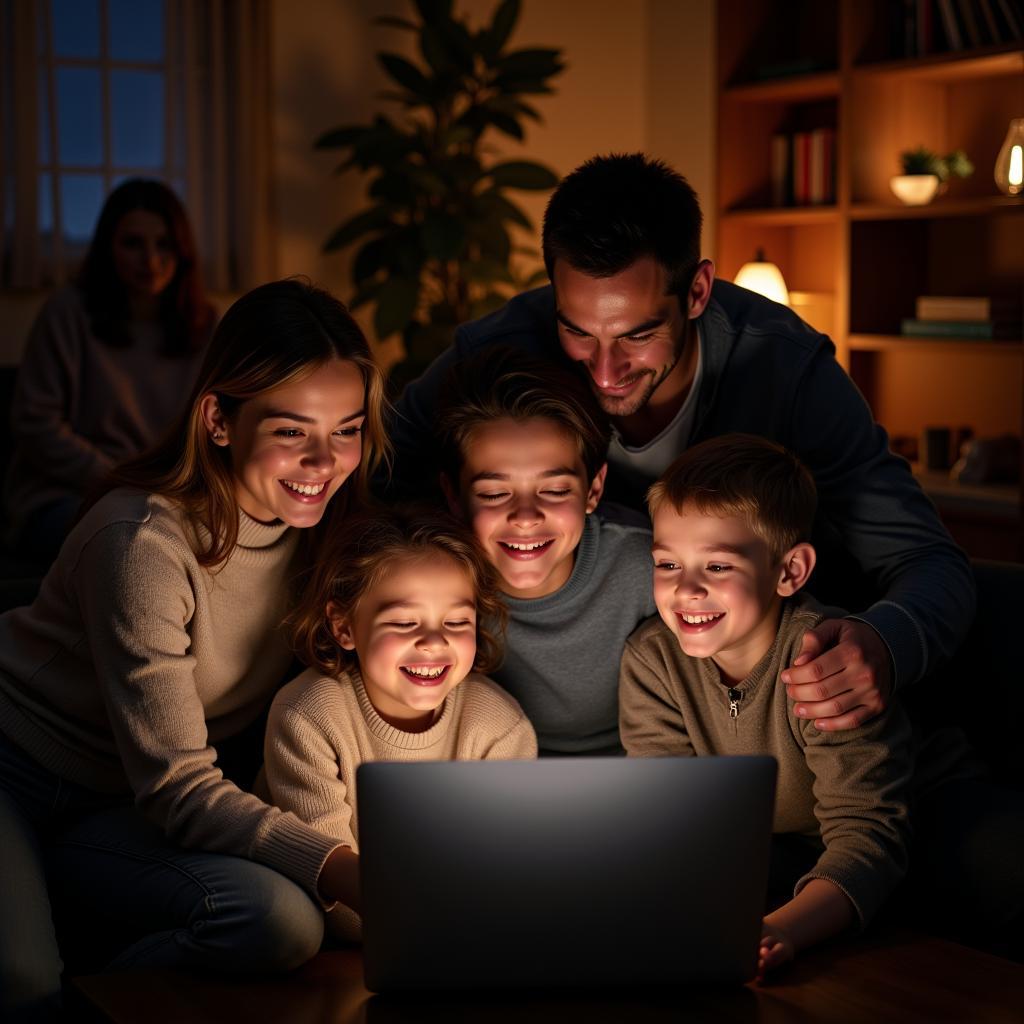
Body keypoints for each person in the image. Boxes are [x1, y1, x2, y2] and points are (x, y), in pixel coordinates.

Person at [389, 152, 975, 733]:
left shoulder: (787, 371)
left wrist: (884, 644)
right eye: (577, 331)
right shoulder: (498, 350)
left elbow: (929, 561)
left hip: (776, 708)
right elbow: (372, 478)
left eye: (638, 334)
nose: (604, 371)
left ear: (697, 292)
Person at [0, 279, 388, 1021]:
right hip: (15, 772)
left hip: (117, 807)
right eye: (290, 430)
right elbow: (179, 785)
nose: (324, 460)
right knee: (24, 987)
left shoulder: (333, 537)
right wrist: (344, 868)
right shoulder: (143, 540)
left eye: (346, 429)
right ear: (218, 419)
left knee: (281, 923)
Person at [618, 434, 913, 976]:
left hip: (894, 827)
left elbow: (869, 836)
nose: (685, 591)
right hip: (776, 850)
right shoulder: (652, 660)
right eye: (667, 564)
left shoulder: (824, 663)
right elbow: (676, 816)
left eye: (718, 567)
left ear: (790, 572)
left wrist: (782, 930)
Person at [261, 507, 537, 941]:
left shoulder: (500, 727)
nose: (434, 641)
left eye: (456, 621)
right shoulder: (308, 713)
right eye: (404, 622)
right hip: (346, 938)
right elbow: (336, 888)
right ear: (344, 626)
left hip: (452, 941)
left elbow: (503, 870)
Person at [435, 348, 654, 755]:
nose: (525, 516)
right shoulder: (430, 582)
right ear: (455, 497)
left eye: (554, 490)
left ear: (593, 490)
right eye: (494, 493)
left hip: (637, 776)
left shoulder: (650, 565)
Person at [5, 178, 216, 563]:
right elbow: (36, 423)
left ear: (183, 252)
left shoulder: (206, 329)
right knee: (136, 541)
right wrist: (121, 481)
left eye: (164, 244)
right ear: (108, 248)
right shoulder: (67, 312)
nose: (150, 260)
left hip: (170, 496)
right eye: (133, 243)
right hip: (69, 494)